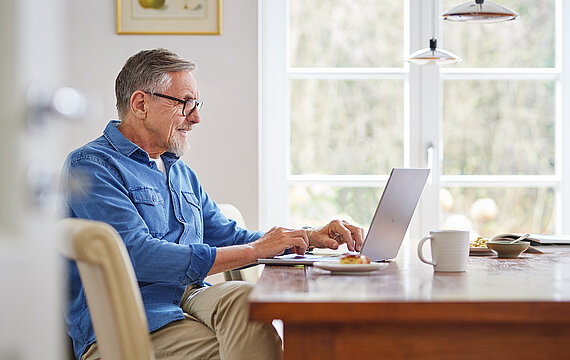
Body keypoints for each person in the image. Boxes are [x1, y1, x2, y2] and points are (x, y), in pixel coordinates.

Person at [63, 48, 365, 360]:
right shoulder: (93, 166)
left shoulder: (177, 169)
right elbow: (138, 255)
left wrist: (308, 236)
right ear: (140, 104)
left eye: (196, 104)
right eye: (184, 104)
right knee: (268, 345)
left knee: (246, 299)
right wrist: (255, 251)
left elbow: (229, 236)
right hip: (131, 324)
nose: (195, 118)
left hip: (189, 299)